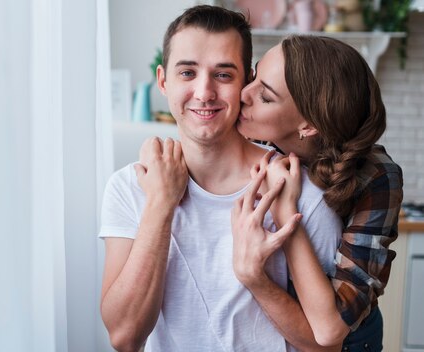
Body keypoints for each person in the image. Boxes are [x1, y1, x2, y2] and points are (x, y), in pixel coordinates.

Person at [98, 6, 342, 351]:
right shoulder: (127, 187)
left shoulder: (298, 192)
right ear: (163, 81)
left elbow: (327, 346)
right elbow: (125, 337)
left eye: (223, 75)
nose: (204, 92)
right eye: (187, 73)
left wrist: (256, 278)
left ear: (246, 83)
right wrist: (161, 204)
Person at [233, 35, 403, 352]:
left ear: (308, 126)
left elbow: (329, 330)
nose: (243, 93)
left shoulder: (378, 177)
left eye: (265, 97)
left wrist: (287, 215)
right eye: (254, 76)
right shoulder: (266, 138)